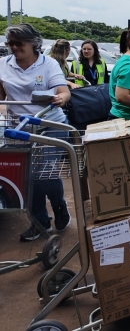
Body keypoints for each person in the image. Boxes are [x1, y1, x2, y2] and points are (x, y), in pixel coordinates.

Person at [0, 24, 72, 241]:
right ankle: (40, 222)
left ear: (33, 43)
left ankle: (59, 205)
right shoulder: (3, 64)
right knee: (26, 177)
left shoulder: (48, 64)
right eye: (10, 43)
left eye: (18, 43)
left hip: (50, 126)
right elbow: (2, 96)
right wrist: (4, 115)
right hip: (18, 129)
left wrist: (60, 99)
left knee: (43, 174)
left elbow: (63, 91)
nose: (13, 47)